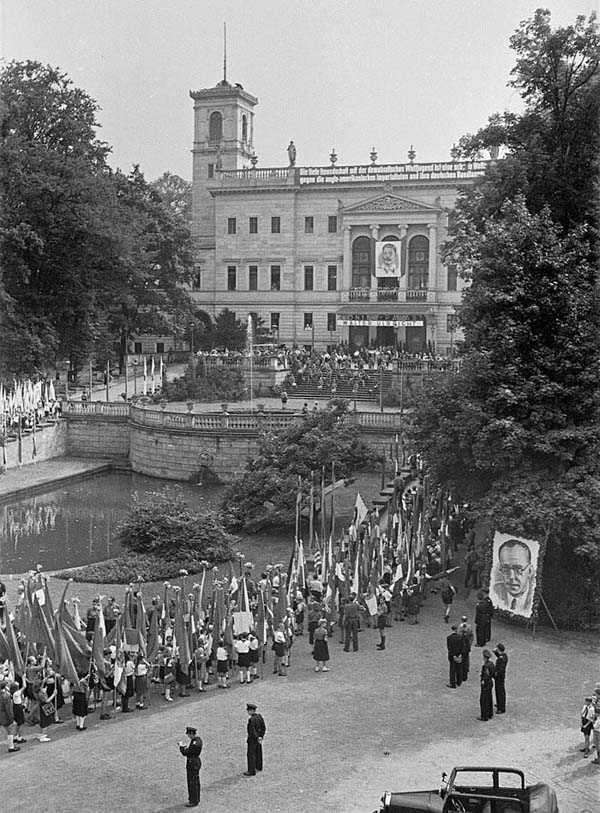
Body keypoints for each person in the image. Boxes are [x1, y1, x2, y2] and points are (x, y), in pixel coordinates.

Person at [491, 538, 536, 615]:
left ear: (530, 571)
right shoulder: (495, 590)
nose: (511, 576)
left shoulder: (534, 597)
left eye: (518, 569)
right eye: (505, 569)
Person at [178, 725, 203, 807]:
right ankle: (196, 799)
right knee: (196, 781)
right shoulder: (198, 740)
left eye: (189, 734)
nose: (188, 736)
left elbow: (186, 753)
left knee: (192, 783)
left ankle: (193, 800)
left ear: (192, 733)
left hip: (192, 764)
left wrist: (181, 747)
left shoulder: (194, 743)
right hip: (196, 762)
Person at [244, 702, 266, 776]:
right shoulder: (259, 716)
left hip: (253, 739)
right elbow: (263, 727)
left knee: (251, 755)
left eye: (248, 710)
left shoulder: (251, 720)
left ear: (252, 711)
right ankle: (259, 766)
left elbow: (252, 731)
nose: (248, 712)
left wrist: (256, 737)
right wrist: (260, 736)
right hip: (258, 738)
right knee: (259, 752)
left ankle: (251, 770)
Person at [0, 680, 19, 753]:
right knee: (10, 731)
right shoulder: (6, 696)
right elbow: (8, 709)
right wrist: (12, 719)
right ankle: (11, 746)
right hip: (5, 716)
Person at [478, 650, 495, 721]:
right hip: (490, 682)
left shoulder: (485, 666)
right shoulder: (491, 663)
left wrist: (483, 680)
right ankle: (490, 713)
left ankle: (484, 716)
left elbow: (486, 675)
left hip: (486, 684)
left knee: (483, 700)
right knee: (489, 698)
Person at [458, 615, 474, 682]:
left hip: (462, 646)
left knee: (461, 661)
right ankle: (465, 675)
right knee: (466, 660)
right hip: (467, 646)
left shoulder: (460, 627)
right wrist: (470, 644)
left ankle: (461, 675)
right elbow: (472, 636)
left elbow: (458, 635)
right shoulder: (469, 627)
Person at [493, 643, 508, 714]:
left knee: (499, 692)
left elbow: (501, 670)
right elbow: (499, 655)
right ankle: (500, 704)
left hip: (499, 677)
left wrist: (496, 674)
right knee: (501, 691)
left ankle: (501, 708)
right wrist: (495, 652)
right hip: (501, 677)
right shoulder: (504, 656)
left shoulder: (501, 659)